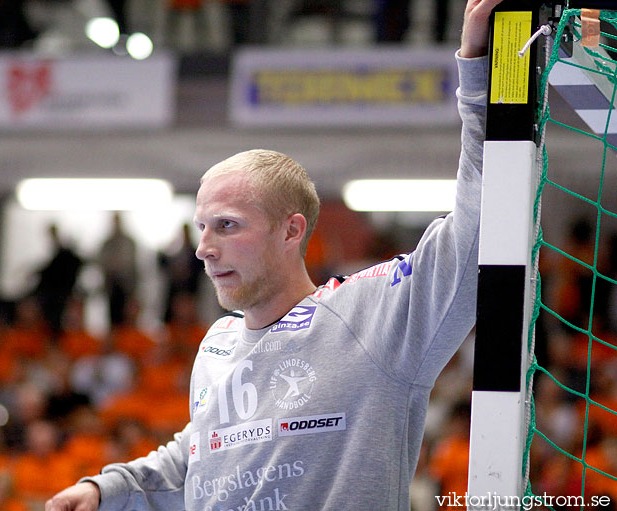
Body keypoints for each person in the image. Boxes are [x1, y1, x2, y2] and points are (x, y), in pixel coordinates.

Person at [45, 0, 501, 508]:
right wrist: (103, 488)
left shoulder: (371, 317)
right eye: (202, 227)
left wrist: (480, 76)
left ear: (291, 232)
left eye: (227, 226)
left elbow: (477, 234)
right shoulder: (217, 345)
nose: (202, 248)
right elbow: (198, 457)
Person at [98, 213, 138, 327]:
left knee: (127, 317)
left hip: (126, 287)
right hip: (112, 286)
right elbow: (102, 262)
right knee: (113, 319)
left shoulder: (128, 242)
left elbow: (131, 264)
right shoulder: (107, 243)